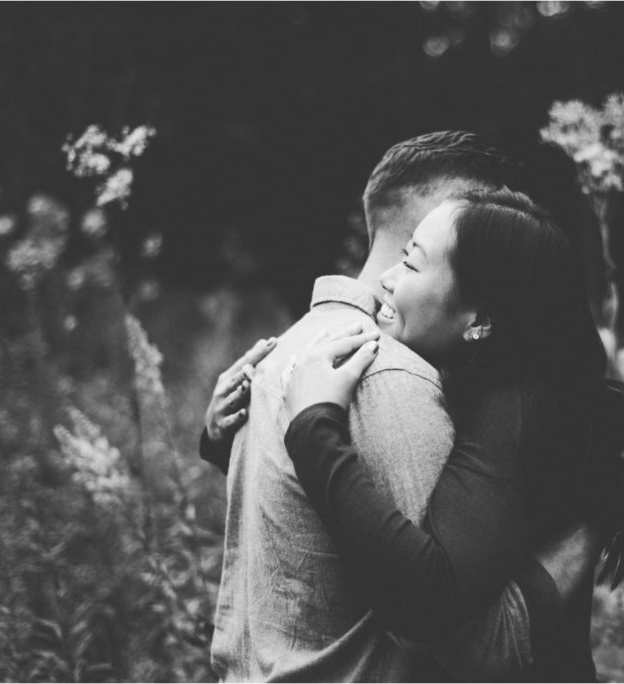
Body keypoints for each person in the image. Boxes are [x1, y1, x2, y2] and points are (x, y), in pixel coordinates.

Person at [201, 132, 600, 681]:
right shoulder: (389, 371)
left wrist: (309, 430)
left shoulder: (316, 356)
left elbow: (441, 614)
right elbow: (300, 509)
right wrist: (223, 441)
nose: (388, 281)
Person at [277, 189, 624, 681]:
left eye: (411, 264)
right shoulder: (478, 372)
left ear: (481, 320)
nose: (386, 279)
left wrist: (313, 429)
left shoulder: (514, 410)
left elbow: (428, 603)